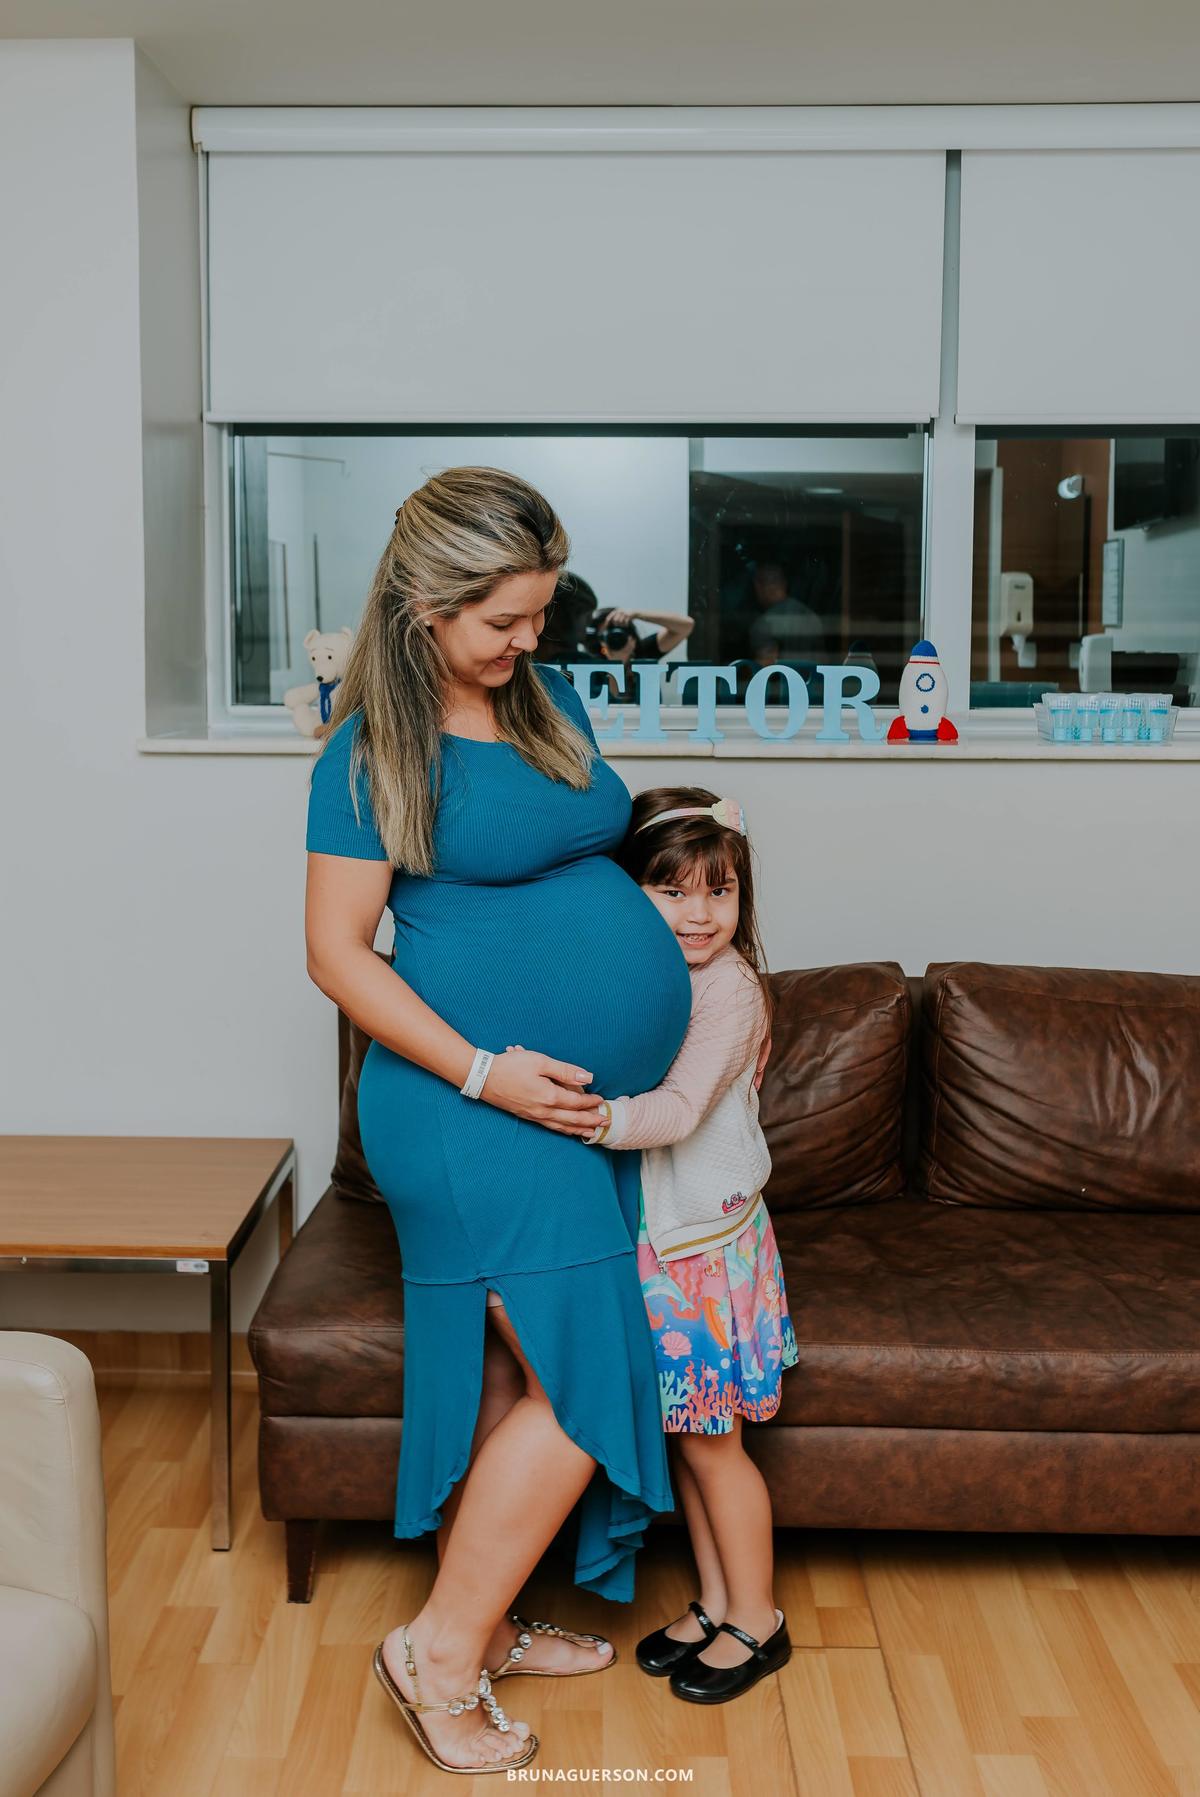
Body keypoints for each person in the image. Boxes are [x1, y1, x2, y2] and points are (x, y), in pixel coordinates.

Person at [303, 467, 693, 1774]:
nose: (533, 639)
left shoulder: (548, 699)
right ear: (424, 608)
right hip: (462, 1111)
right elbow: (339, 955)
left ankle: (497, 1610)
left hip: (563, 1114)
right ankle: (441, 1656)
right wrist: (484, 1071)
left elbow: (584, 848)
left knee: (528, 1373)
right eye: (504, 620)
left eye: (538, 613)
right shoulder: (370, 755)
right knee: (586, 1383)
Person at [581, 786, 799, 1703]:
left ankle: (760, 1617)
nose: (702, 913)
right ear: (631, 892)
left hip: (706, 1247)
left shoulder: (731, 990)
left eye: (721, 891)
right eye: (674, 892)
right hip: (667, 1245)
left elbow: (674, 1112)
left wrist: (581, 1116)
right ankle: (716, 1600)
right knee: (689, 1437)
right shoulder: (653, 977)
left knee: (717, 1446)